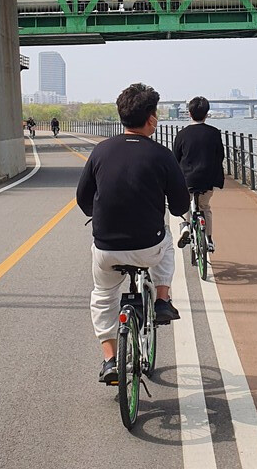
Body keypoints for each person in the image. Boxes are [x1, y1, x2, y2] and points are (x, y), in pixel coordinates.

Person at [76, 83, 190, 385]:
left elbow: (83, 199)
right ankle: (163, 300)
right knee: (167, 241)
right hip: (147, 246)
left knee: (103, 296)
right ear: (151, 119)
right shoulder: (162, 156)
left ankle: (110, 360)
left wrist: (100, 217)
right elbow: (180, 205)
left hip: (106, 248)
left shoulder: (101, 151)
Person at [173, 96, 225, 253]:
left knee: (185, 204)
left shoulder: (182, 134)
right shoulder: (214, 133)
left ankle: (185, 227)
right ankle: (208, 240)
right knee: (205, 207)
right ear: (207, 114)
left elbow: (175, 158)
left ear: (189, 113)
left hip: (187, 179)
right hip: (208, 179)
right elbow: (220, 156)